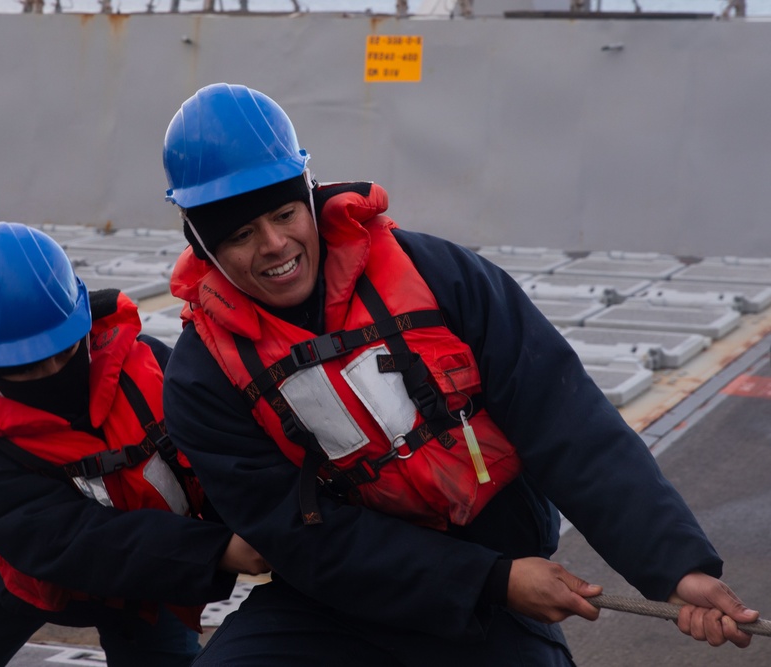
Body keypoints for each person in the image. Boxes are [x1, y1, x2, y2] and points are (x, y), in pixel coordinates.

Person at [158, 83, 759, 665]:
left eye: (286, 214)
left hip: (492, 581)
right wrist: (489, 581)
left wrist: (676, 567)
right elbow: (297, 535)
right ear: (204, 249)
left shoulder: (438, 276)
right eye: (239, 236)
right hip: (334, 598)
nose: (273, 245)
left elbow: (567, 422)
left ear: (311, 196)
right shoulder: (202, 377)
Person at [0, 221, 267, 667]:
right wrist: (214, 550)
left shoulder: (149, 365)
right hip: (24, 566)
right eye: (27, 366)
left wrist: (257, 526)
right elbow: (63, 539)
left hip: (153, 568)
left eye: (65, 350)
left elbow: (217, 451)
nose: (52, 372)